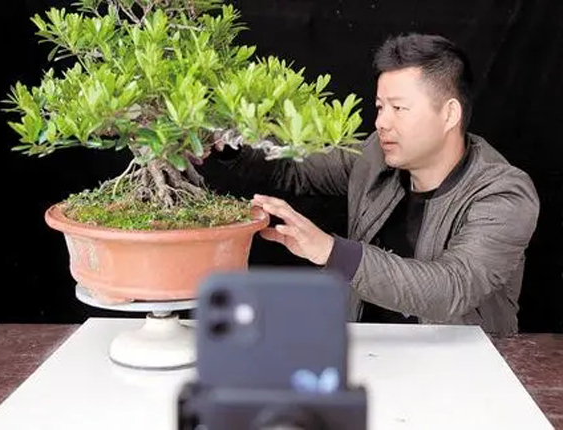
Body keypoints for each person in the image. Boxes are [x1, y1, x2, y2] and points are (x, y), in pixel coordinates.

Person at [201, 33, 539, 336]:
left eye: (399, 108)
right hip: (369, 352)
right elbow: (296, 167)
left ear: (450, 114)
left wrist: (331, 251)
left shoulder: (504, 194)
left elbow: (452, 288)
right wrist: (226, 140)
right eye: (380, 107)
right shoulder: (377, 156)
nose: (381, 122)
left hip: (468, 366)